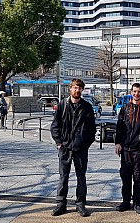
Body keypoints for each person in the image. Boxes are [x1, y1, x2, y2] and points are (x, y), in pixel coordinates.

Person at [50, 78, 96, 217]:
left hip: (80, 148)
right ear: (70, 89)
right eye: (75, 87)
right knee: (63, 176)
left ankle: (80, 204)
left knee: (81, 177)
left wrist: (85, 144)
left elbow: (91, 130)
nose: (77, 90)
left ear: (82, 89)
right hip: (64, 147)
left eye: (79, 88)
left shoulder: (87, 107)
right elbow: (55, 125)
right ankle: (61, 204)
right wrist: (59, 142)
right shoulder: (62, 105)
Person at [114, 83, 140, 215]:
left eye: (139, 92)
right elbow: (119, 126)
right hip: (125, 148)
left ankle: (137, 203)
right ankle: (125, 202)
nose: (136, 94)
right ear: (131, 92)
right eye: (134, 91)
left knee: (138, 177)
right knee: (125, 176)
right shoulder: (125, 108)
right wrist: (118, 142)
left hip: (138, 149)